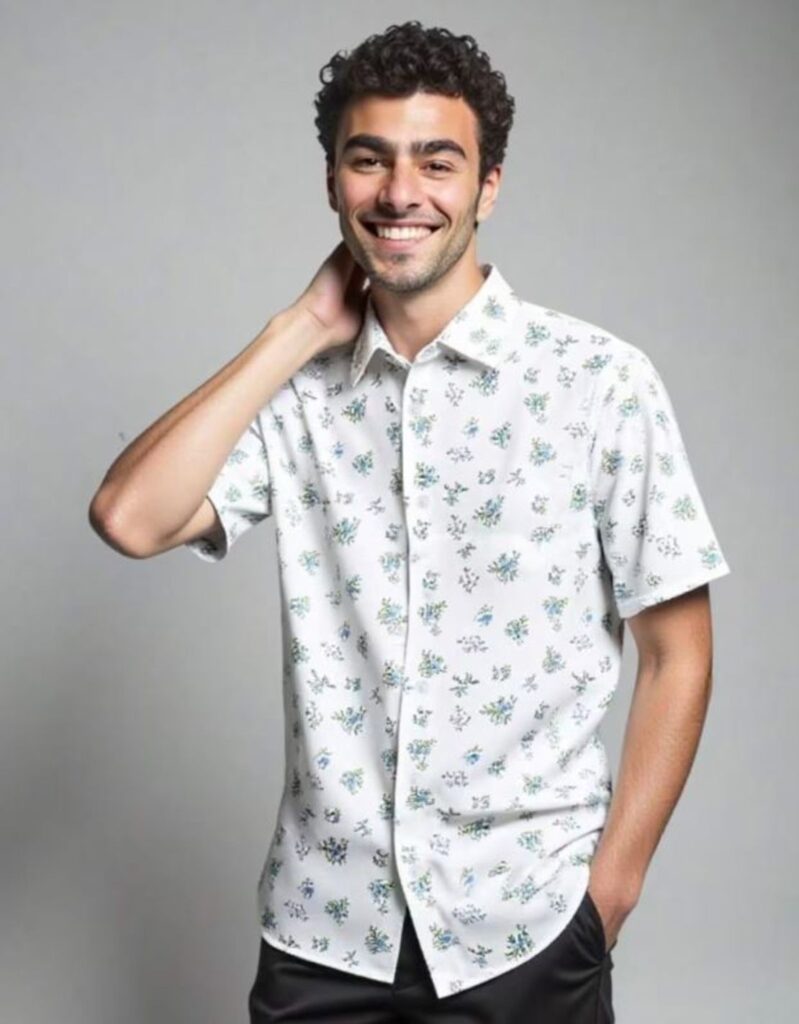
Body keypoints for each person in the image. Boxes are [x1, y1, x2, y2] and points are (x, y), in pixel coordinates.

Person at [89, 20, 732, 1024]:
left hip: (526, 927)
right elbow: (130, 518)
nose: (400, 192)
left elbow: (677, 654)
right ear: (332, 183)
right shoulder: (298, 397)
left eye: (437, 162)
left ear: (487, 186)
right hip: (322, 930)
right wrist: (297, 327)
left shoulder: (598, 384)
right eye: (369, 160)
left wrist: (608, 897)